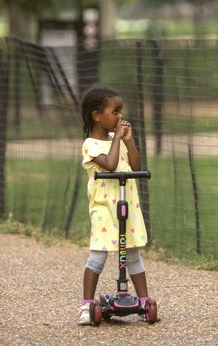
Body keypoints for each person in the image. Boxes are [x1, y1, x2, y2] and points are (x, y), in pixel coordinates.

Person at [77, 84, 151, 325]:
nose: (120, 117)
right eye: (115, 112)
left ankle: (143, 300)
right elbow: (109, 165)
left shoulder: (117, 140)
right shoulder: (90, 144)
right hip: (104, 209)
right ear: (97, 116)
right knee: (98, 257)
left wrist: (128, 141)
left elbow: (136, 167)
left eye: (121, 111)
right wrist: (117, 137)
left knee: (133, 254)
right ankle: (87, 306)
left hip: (126, 206)